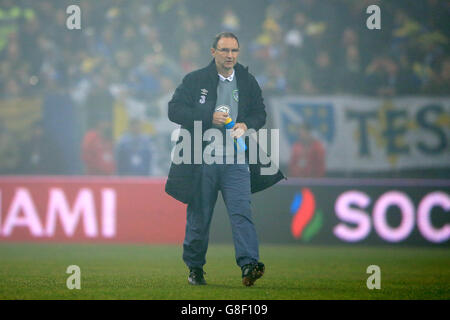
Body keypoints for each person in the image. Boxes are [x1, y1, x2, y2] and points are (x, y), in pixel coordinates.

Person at [165, 32, 285, 286]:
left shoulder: (247, 81)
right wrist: (209, 116)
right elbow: (174, 110)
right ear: (213, 52)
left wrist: (246, 124)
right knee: (199, 216)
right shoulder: (195, 79)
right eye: (225, 50)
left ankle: (249, 264)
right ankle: (195, 268)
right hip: (202, 161)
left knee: (242, 213)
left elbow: (260, 114)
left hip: (236, 161)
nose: (230, 56)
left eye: (234, 51)